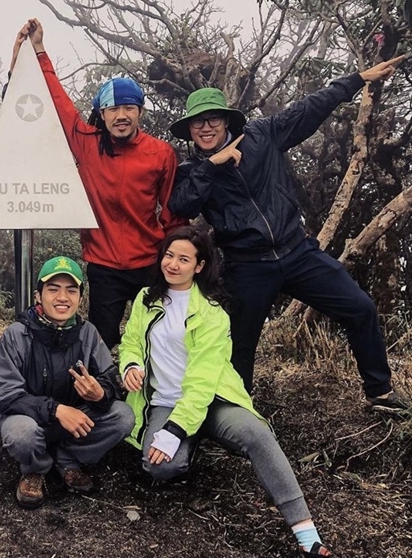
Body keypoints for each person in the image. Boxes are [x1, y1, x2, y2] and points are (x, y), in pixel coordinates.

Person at [168, 55, 407, 412]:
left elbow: (309, 108)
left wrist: (356, 79)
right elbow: (182, 205)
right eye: (197, 123)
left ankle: (380, 392)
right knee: (238, 345)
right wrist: (212, 169)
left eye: (212, 118)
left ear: (226, 120)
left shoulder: (262, 135)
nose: (205, 128)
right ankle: (238, 417)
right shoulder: (191, 170)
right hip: (246, 265)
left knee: (360, 308)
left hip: (298, 252)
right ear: (188, 130)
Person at [119, 226, 332, 558]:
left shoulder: (213, 313)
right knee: (159, 468)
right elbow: (131, 341)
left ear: (200, 266)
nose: (173, 264)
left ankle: (307, 536)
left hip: (213, 401)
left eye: (184, 259)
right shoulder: (146, 299)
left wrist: (175, 430)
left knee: (257, 434)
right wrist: (131, 365)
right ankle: (192, 441)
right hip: (163, 401)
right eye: (169, 255)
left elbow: (203, 379)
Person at [11, 18, 187, 350]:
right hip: (104, 265)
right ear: (102, 114)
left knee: (157, 339)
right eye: (113, 109)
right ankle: (105, 398)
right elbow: (60, 104)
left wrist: (174, 256)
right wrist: (39, 50)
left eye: (129, 108)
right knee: (103, 341)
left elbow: (173, 213)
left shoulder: (160, 153)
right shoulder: (87, 143)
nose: (121, 115)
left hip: (149, 263)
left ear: (139, 113)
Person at [0, 256, 135, 509]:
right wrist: (55, 409)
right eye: (53, 289)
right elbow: (7, 395)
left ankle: (68, 458)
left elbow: (109, 378)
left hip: (76, 419)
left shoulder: (87, 332)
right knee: (20, 434)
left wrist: (99, 393)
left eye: (71, 290)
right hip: (32, 418)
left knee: (123, 416)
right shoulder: (17, 334)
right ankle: (35, 468)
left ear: (80, 297)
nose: (62, 297)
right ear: (38, 296)